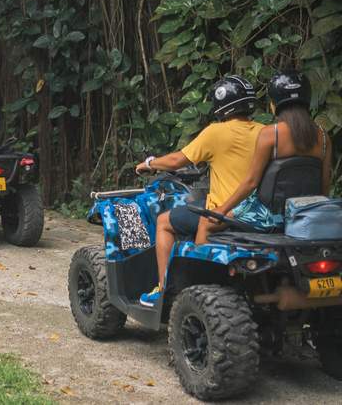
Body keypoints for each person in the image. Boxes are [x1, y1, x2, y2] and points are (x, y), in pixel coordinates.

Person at [135, 75, 264, 307]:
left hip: (224, 214)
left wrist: (149, 163)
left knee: (164, 221)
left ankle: (163, 290)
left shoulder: (217, 132)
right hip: (254, 213)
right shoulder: (265, 132)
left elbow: (176, 161)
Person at [196, 70, 332, 242]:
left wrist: (222, 209)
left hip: (268, 216)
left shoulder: (271, 134)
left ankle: (204, 268)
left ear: (274, 105)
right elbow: (324, 185)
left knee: (205, 224)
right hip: (306, 213)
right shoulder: (324, 136)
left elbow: (251, 182)